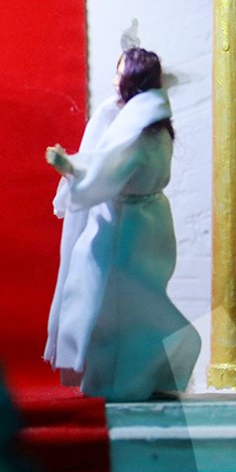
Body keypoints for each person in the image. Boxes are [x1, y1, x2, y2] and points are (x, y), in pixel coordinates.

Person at [44, 47, 200, 401]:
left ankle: (125, 380)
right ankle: (124, 375)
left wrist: (71, 170)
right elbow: (109, 162)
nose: (115, 80)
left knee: (112, 304)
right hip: (148, 221)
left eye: (120, 73)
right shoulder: (154, 126)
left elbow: (110, 170)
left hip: (125, 226)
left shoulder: (137, 131)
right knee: (128, 302)